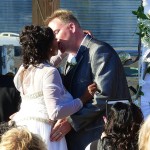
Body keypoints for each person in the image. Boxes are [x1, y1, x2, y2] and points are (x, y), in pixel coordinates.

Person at [45, 9, 131, 150]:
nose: (55, 40)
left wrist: (71, 121)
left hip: (98, 136)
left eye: (56, 33)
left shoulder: (99, 51)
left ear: (71, 27)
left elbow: (103, 96)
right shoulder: (71, 57)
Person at [11, 25, 96, 150]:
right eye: (54, 39)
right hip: (43, 134)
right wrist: (83, 99)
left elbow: (49, 61)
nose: (58, 40)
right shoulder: (49, 72)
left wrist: (75, 39)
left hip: (22, 130)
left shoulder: (24, 70)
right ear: (48, 46)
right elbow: (55, 112)